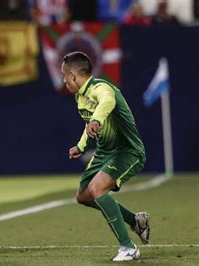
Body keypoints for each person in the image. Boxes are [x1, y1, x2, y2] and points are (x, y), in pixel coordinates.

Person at [61, 51, 150, 261]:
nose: (64, 80)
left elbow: (106, 103)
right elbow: (88, 122)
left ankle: (128, 248)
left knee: (97, 188)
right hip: (104, 152)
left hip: (127, 151)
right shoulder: (80, 96)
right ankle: (135, 220)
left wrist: (97, 121)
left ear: (74, 75)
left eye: (65, 75)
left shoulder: (102, 87)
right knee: (83, 196)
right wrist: (81, 146)